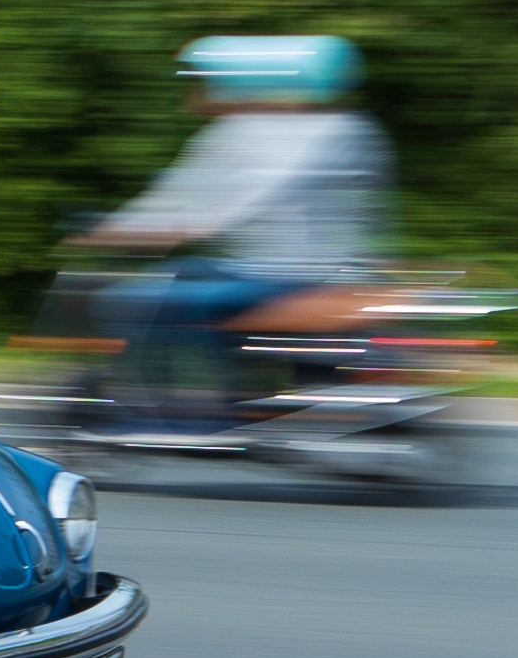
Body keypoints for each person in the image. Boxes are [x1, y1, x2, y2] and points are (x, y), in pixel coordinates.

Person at [71, 35, 393, 426]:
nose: (193, 96)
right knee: (183, 275)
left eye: (203, 83)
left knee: (135, 302)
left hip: (287, 278)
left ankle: (198, 415)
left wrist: (119, 231)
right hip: (321, 271)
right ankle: (232, 392)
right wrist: (136, 225)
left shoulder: (260, 132)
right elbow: (185, 195)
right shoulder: (349, 127)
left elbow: (218, 201)